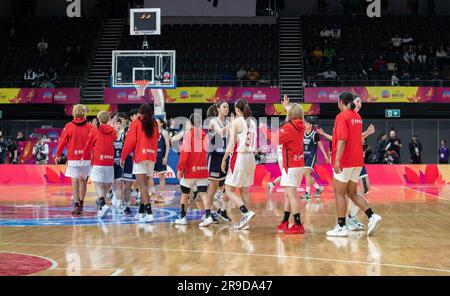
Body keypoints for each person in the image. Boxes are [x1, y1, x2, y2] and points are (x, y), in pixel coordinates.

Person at [326, 92, 381, 237]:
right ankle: (372, 216)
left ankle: (341, 226)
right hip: (357, 161)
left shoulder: (341, 116)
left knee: (339, 193)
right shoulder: (357, 117)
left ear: (341, 101)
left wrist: (337, 160)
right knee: (352, 193)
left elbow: (342, 139)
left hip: (345, 160)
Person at [221, 99, 257, 230]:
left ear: (236, 109)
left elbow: (231, 144)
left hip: (240, 157)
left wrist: (224, 159)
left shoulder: (237, 122)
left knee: (228, 189)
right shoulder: (252, 122)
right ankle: (245, 219)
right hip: (251, 157)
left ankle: (246, 212)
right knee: (244, 190)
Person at [120, 103, 159, 223]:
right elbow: (157, 138)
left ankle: (149, 213)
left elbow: (130, 142)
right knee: (144, 186)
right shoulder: (154, 123)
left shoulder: (136, 122)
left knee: (142, 186)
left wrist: (123, 157)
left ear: (140, 112)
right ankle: (141, 211)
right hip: (151, 156)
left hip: (140, 157)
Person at [55, 104, 93, 215]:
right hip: (86, 158)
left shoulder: (69, 126)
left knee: (75, 181)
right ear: (85, 113)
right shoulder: (90, 127)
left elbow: (62, 142)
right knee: (83, 181)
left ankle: (76, 204)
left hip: (73, 158)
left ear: (74, 113)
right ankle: (81, 202)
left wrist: (57, 155)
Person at [276, 97, 306, 234]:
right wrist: (287, 107)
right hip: (299, 164)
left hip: (291, 165)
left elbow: (274, 139)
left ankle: (298, 225)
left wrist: (264, 130)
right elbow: (294, 113)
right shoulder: (301, 124)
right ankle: (285, 221)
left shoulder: (288, 127)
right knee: (288, 195)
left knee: (291, 195)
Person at [175, 114, 210, 226]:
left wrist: (180, 169)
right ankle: (208, 216)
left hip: (190, 170)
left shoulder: (189, 135)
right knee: (203, 193)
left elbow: (184, 154)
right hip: (202, 168)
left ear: (191, 122)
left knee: (185, 194)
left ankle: (182, 217)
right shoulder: (205, 135)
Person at [82, 111, 116, 219]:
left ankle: (103, 203)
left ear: (99, 119)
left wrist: (84, 156)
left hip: (98, 162)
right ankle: (102, 208)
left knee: (97, 184)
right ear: (109, 119)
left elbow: (88, 145)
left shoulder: (94, 130)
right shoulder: (113, 131)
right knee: (105, 186)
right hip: (110, 162)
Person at [205, 101, 232, 224]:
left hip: (225, 157)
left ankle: (222, 210)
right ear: (218, 109)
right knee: (213, 186)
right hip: (215, 156)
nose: (226, 109)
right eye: (224, 107)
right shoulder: (213, 121)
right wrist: (232, 124)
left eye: (227, 107)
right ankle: (208, 213)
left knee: (229, 185)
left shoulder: (227, 122)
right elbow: (221, 132)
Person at [301, 117, 328, 200]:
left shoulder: (314, 134)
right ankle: (319, 188)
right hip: (304, 156)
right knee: (307, 174)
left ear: (311, 125)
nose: (305, 125)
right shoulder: (303, 133)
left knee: (306, 172)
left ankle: (308, 193)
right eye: (304, 123)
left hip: (311, 156)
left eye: (306, 124)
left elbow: (320, 145)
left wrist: (325, 155)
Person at [152, 118, 170, 203]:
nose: (155, 124)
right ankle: (153, 193)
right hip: (152, 156)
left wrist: (165, 157)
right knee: (149, 177)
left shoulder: (164, 132)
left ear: (162, 124)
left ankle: (161, 195)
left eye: (157, 122)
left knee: (161, 178)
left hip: (160, 157)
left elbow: (167, 146)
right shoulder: (151, 132)